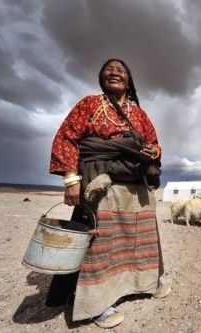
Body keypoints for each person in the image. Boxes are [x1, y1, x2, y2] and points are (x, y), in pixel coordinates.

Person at [46, 58, 169, 328]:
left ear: (129, 80)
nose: (114, 72)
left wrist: (154, 151)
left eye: (121, 70)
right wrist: (70, 179)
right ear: (101, 78)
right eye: (108, 69)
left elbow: (153, 143)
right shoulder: (89, 103)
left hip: (135, 182)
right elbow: (67, 137)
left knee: (138, 237)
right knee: (100, 241)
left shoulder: (139, 113)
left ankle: (140, 283)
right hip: (99, 179)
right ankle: (97, 302)